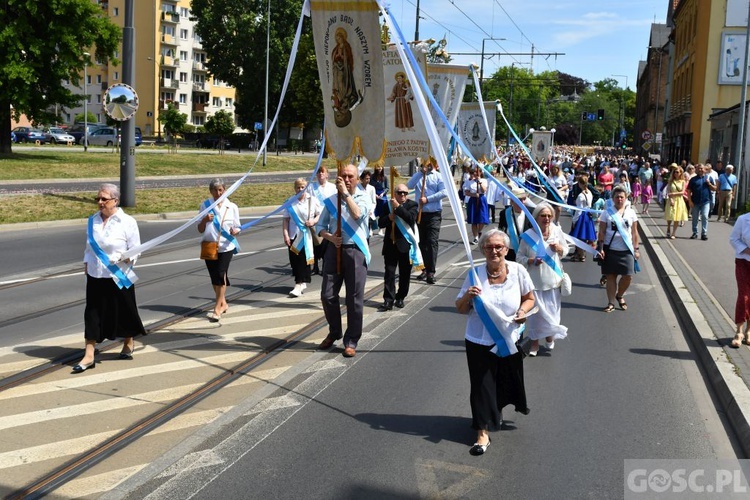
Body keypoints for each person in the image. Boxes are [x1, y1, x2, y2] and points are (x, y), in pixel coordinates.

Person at [455, 229, 535, 455]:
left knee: (503, 381)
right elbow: (460, 309)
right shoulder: (474, 274)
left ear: (506, 249)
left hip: (509, 339)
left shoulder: (518, 271)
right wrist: (468, 297)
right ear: (482, 250)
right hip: (479, 339)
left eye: (499, 247)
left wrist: (522, 311)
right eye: (489, 247)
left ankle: (495, 410)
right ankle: (482, 432)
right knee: (481, 386)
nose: (494, 251)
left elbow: (529, 299)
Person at [77, 183, 145, 372]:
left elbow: (136, 249)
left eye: (104, 199)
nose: (100, 202)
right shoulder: (93, 221)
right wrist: (86, 263)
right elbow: (88, 247)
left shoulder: (127, 222)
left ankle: (129, 341)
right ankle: (89, 354)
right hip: (95, 274)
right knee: (92, 313)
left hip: (119, 274)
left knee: (124, 310)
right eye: (98, 199)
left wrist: (123, 257)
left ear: (115, 201)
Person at [316, 163, 373, 357]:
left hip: (356, 251)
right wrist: (330, 237)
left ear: (357, 179)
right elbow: (320, 226)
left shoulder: (363, 197)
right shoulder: (331, 201)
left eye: (351, 176)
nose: (347, 179)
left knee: (354, 299)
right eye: (344, 176)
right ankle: (335, 331)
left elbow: (357, 215)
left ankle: (351, 340)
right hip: (334, 249)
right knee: (327, 295)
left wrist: (345, 195)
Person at [518, 203, 569, 356]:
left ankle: (549, 336)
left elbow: (565, 251)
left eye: (549, 216)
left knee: (552, 313)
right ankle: (534, 344)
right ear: (536, 218)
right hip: (534, 282)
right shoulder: (528, 235)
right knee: (535, 316)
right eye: (543, 215)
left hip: (553, 280)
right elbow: (519, 257)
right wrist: (531, 261)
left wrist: (559, 249)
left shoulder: (557, 231)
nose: (546, 219)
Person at [198, 178, 241, 321]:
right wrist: (204, 220)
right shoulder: (205, 205)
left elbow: (237, 227)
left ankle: (217, 307)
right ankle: (223, 303)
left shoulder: (232, 206)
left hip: (226, 246)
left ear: (225, 190)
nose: (218, 193)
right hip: (209, 246)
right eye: (215, 190)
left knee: (221, 274)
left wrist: (236, 231)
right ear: (210, 191)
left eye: (220, 190)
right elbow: (199, 229)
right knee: (214, 277)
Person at [596, 186, 640, 312]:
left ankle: (619, 295)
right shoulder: (607, 213)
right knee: (611, 276)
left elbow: (635, 232)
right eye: (617, 197)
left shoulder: (631, 213)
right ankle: (611, 303)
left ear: (626, 198)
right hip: (610, 249)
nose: (619, 199)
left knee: (628, 276)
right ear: (613, 198)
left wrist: (636, 249)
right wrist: (600, 247)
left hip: (626, 250)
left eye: (622, 197)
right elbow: (602, 231)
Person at [377, 183, 419, 311]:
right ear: (395, 193)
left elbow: (411, 219)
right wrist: (389, 218)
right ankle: (388, 300)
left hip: (405, 245)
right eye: (400, 192)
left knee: (404, 273)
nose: (402, 195)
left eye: (405, 193)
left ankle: (400, 297)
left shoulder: (412, 205)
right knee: (389, 273)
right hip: (390, 244)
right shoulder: (387, 205)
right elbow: (380, 223)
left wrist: (398, 207)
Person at [407, 162, 447, 284]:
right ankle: (423, 268)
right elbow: (409, 185)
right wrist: (420, 172)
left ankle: (431, 271)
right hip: (420, 214)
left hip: (433, 214)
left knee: (431, 242)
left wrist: (428, 199)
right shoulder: (419, 175)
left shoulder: (438, 176)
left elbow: (444, 192)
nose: (426, 164)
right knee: (421, 243)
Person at [283, 178, 321, 297]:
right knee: (294, 260)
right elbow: (285, 220)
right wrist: (285, 234)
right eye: (298, 187)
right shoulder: (290, 201)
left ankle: (298, 284)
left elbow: (319, 214)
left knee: (303, 260)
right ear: (294, 188)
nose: (300, 189)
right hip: (294, 234)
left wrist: (313, 221)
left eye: (302, 187)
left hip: (307, 235)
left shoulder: (312, 200)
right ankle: (302, 280)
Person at [312, 166, 337, 274]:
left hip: (328, 217)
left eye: (322, 172)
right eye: (318, 172)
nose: (320, 174)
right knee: (315, 243)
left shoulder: (332, 187)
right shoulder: (311, 187)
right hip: (316, 218)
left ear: (327, 174)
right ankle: (315, 265)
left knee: (326, 243)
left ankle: (325, 265)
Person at [729, 213, 750, 347]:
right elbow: (733, 239)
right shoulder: (743, 219)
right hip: (744, 262)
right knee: (744, 296)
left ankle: (749, 331)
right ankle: (739, 331)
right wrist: (746, 250)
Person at [496, 187, 531, 262]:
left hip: (528, 252)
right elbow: (501, 232)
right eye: (519, 200)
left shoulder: (531, 212)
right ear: (512, 201)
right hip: (511, 253)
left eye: (524, 199)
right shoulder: (504, 213)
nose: (522, 202)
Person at [569, 172, 597, 262]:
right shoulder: (590, 193)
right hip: (588, 215)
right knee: (584, 236)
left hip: (582, 216)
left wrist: (574, 220)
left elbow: (579, 210)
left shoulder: (581, 195)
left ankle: (581, 255)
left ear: (580, 184)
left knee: (577, 237)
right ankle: (581, 254)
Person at [687, 163, 717, 240]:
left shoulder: (709, 178)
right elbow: (689, 190)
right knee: (695, 218)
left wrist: (709, 183)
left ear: (705, 170)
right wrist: (690, 201)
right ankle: (695, 233)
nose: (700, 170)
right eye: (699, 168)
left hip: (705, 201)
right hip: (695, 201)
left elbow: (714, 188)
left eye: (702, 168)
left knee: (704, 216)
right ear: (696, 170)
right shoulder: (693, 179)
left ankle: (704, 233)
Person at [464, 167, 489, 244]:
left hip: (482, 199)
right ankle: (475, 237)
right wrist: (474, 194)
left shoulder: (484, 180)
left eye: (476, 172)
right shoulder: (469, 182)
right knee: (473, 220)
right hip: (473, 200)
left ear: (480, 172)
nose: (475, 173)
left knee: (482, 218)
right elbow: (466, 192)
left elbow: (484, 190)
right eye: (474, 172)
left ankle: (479, 231)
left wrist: (479, 182)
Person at [664, 165, 688, 239]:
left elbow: (682, 192)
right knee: (670, 215)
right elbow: (668, 190)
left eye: (677, 172)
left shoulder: (683, 181)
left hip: (679, 200)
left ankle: (673, 233)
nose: (676, 173)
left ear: (681, 173)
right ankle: (668, 227)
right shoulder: (671, 181)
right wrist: (671, 198)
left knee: (677, 217)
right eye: (674, 172)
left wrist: (673, 194)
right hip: (671, 199)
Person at [371, 165, 389, 236]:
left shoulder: (385, 177)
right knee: (373, 213)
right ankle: (371, 229)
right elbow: (370, 186)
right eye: (377, 167)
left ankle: (381, 229)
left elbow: (387, 188)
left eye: (380, 167)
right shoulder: (372, 177)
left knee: (382, 213)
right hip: (374, 195)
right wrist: (374, 194)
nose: (379, 169)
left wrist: (382, 193)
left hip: (382, 196)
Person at [359, 169, 377, 237]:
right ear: (361, 179)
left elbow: (373, 202)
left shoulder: (371, 188)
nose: (368, 180)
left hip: (369, 214)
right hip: (360, 214)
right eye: (366, 179)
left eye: (369, 178)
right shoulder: (357, 188)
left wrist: (371, 210)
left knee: (367, 234)